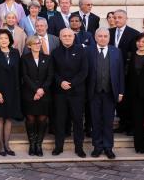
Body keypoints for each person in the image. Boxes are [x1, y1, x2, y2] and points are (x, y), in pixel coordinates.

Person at [86, 28, 124, 159]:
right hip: (93, 93)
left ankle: (108, 147)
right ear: (95, 37)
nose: (103, 38)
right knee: (95, 121)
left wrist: (121, 92)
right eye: (100, 36)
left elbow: (120, 73)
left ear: (109, 38)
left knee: (108, 122)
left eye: (105, 36)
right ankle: (97, 147)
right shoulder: (88, 51)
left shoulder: (116, 51)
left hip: (110, 92)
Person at [51, 28, 88, 157]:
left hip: (77, 92)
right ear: (60, 38)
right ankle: (58, 147)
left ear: (73, 37)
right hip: (60, 92)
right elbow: (53, 71)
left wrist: (71, 83)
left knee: (78, 121)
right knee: (60, 120)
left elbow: (84, 72)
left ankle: (79, 148)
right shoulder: (55, 52)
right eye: (64, 36)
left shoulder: (82, 51)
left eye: (69, 36)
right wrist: (61, 82)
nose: (67, 38)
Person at [0, 28, 22, 156]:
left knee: (9, 118)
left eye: (6, 38)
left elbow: (18, 73)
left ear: (10, 40)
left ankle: (7, 144)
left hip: (12, 91)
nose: (3, 40)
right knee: (0, 117)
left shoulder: (15, 52)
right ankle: (1, 145)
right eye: (1, 38)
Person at [21, 35, 53, 157]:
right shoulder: (24, 58)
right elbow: (25, 76)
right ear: (29, 46)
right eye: (35, 43)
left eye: (39, 43)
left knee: (42, 119)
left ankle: (39, 145)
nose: (37, 45)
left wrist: (41, 90)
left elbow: (50, 76)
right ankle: (32, 144)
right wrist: (36, 90)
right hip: (29, 93)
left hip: (44, 93)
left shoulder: (48, 58)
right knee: (30, 119)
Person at [110, 9, 140, 135]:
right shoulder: (108, 32)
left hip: (128, 73)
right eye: (115, 17)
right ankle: (122, 124)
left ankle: (131, 126)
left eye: (120, 17)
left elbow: (135, 55)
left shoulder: (134, 33)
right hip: (111, 72)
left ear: (126, 19)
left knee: (129, 100)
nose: (117, 19)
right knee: (117, 100)